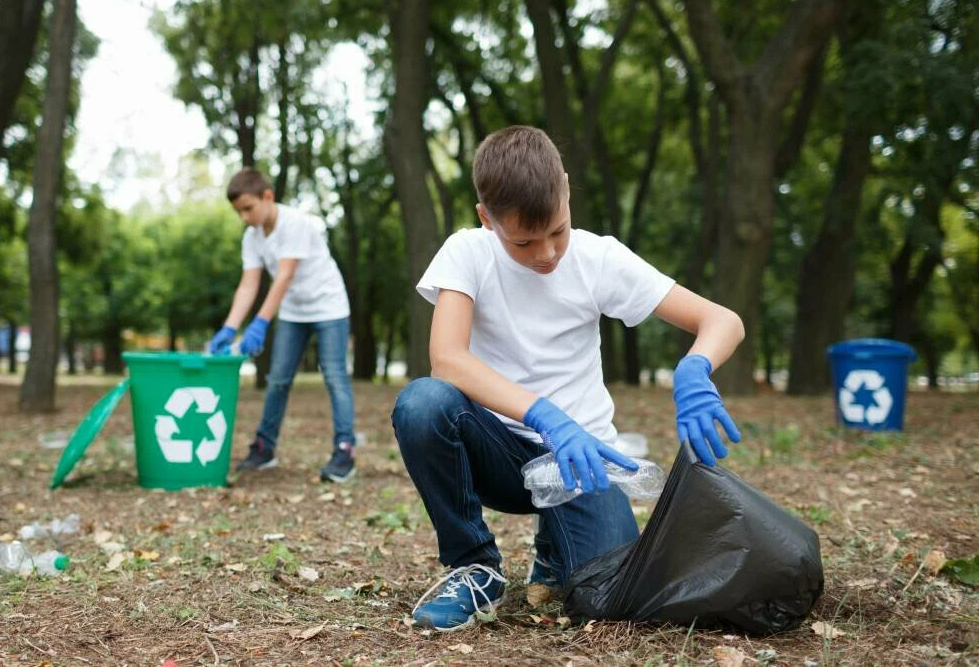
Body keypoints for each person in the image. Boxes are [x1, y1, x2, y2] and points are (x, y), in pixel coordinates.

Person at [391, 126, 744, 632]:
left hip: (579, 463)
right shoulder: (466, 252)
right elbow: (447, 359)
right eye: (523, 241)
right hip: (496, 452)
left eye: (558, 230)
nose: (546, 254)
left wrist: (695, 366)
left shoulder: (598, 259)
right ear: (485, 218)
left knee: (609, 600)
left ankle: (555, 552)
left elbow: (723, 320)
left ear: (567, 190)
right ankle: (474, 566)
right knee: (423, 403)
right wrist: (544, 414)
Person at [210, 168, 358, 483]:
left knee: (334, 377)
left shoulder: (295, 224)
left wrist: (260, 323)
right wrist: (229, 328)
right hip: (293, 310)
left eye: (248, 208)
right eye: (238, 212)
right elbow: (248, 286)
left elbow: (284, 276)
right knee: (277, 379)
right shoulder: (252, 237)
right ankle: (264, 448)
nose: (244, 217)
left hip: (328, 305)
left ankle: (345, 450)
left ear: (267, 196)